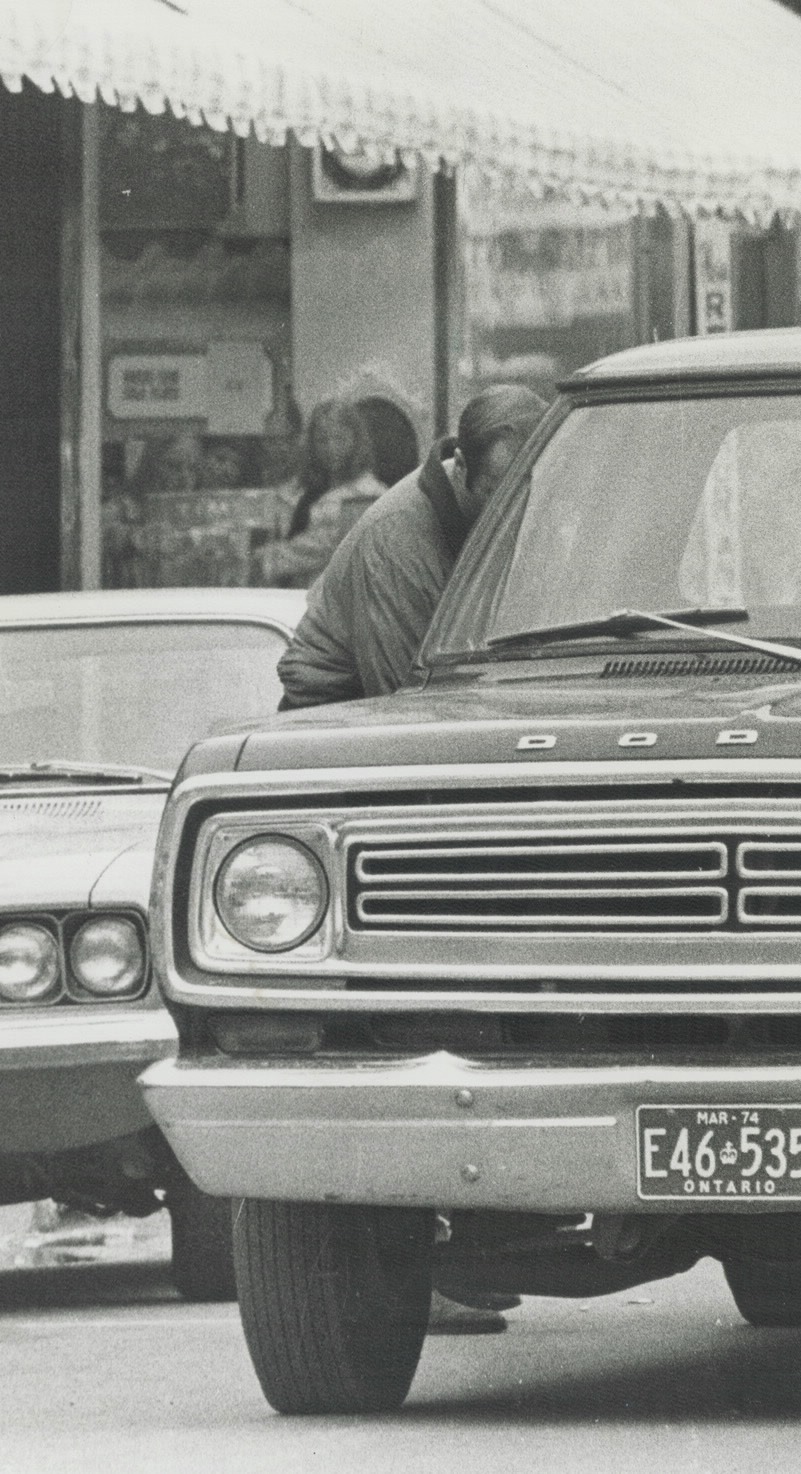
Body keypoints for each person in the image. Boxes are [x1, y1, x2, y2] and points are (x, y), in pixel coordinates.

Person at [272, 384, 547, 1333]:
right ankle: (418, 1256)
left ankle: (477, 1230)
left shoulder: (503, 506)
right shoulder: (399, 537)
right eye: (492, 496)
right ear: (458, 468)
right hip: (354, 755)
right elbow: (417, 712)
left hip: (449, 753)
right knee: (412, 1003)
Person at [278, 384, 549, 710]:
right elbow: (408, 703)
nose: (517, 512)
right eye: (498, 494)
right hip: (331, 714)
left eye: (528, 493)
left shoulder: (493, 508)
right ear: (460, 466)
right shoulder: (396, 543)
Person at [256, 399, 387, 589]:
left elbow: (325, 545)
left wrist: (266, 558)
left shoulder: (369, 494)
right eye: (322, 440)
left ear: (356, 441)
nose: (331, 448)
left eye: (340, 438)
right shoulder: (302, 487)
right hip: (292, 595)